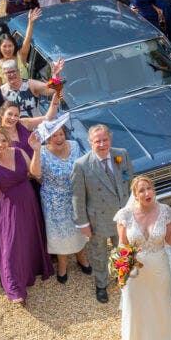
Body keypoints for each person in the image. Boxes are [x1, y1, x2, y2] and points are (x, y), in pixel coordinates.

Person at [114, 176, 171, 340]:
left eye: (149, 189)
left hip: (159, 268)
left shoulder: (164, 211)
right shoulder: (125, 215)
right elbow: (122, 245)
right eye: (141, 190)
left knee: (159, 303)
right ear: (135, 195)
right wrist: (124, 267)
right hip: (135, 272)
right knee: (136, 305)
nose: (147, 193)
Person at [0, 127, 54, 306]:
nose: (0, 144)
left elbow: (34, 172)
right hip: (6, 206)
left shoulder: (20, 152)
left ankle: (31, 269)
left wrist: (37, 150)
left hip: (27, 201)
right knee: (11, 244)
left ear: (8, 140)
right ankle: (14, 287)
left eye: (3, 140)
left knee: (29, 236)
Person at [71, 124, 132, 304]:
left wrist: (133, 210)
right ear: (90, 142)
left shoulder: (121, 154)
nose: (102, 144)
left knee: (123, 250)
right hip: (98, 219)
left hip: (122, 216)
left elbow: (130, 181)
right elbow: (77, 196)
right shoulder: (81, 165)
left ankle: (123, 279)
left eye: (105, 140)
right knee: (99, 254)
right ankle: (101, 285)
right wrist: (82, 223)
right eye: (98, 141)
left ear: (110, 139)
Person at [31, 126, 91, 284]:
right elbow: (35, 173)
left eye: (61, 134)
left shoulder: (75, 145)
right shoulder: (42, 152)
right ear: (47, 138)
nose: (58, 138)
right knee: (58, 232)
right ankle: (63, 264)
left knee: (78, 228)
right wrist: (36, 151)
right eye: (54, 136)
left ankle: (81, 256)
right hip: (53, 199)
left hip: (75, 196)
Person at [0, 8, 40, 86]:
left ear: (14, 46)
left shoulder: (21, 56)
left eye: (10, 46)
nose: (7, 49)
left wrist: (30, 23)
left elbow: (27, 40)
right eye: (4, 46)